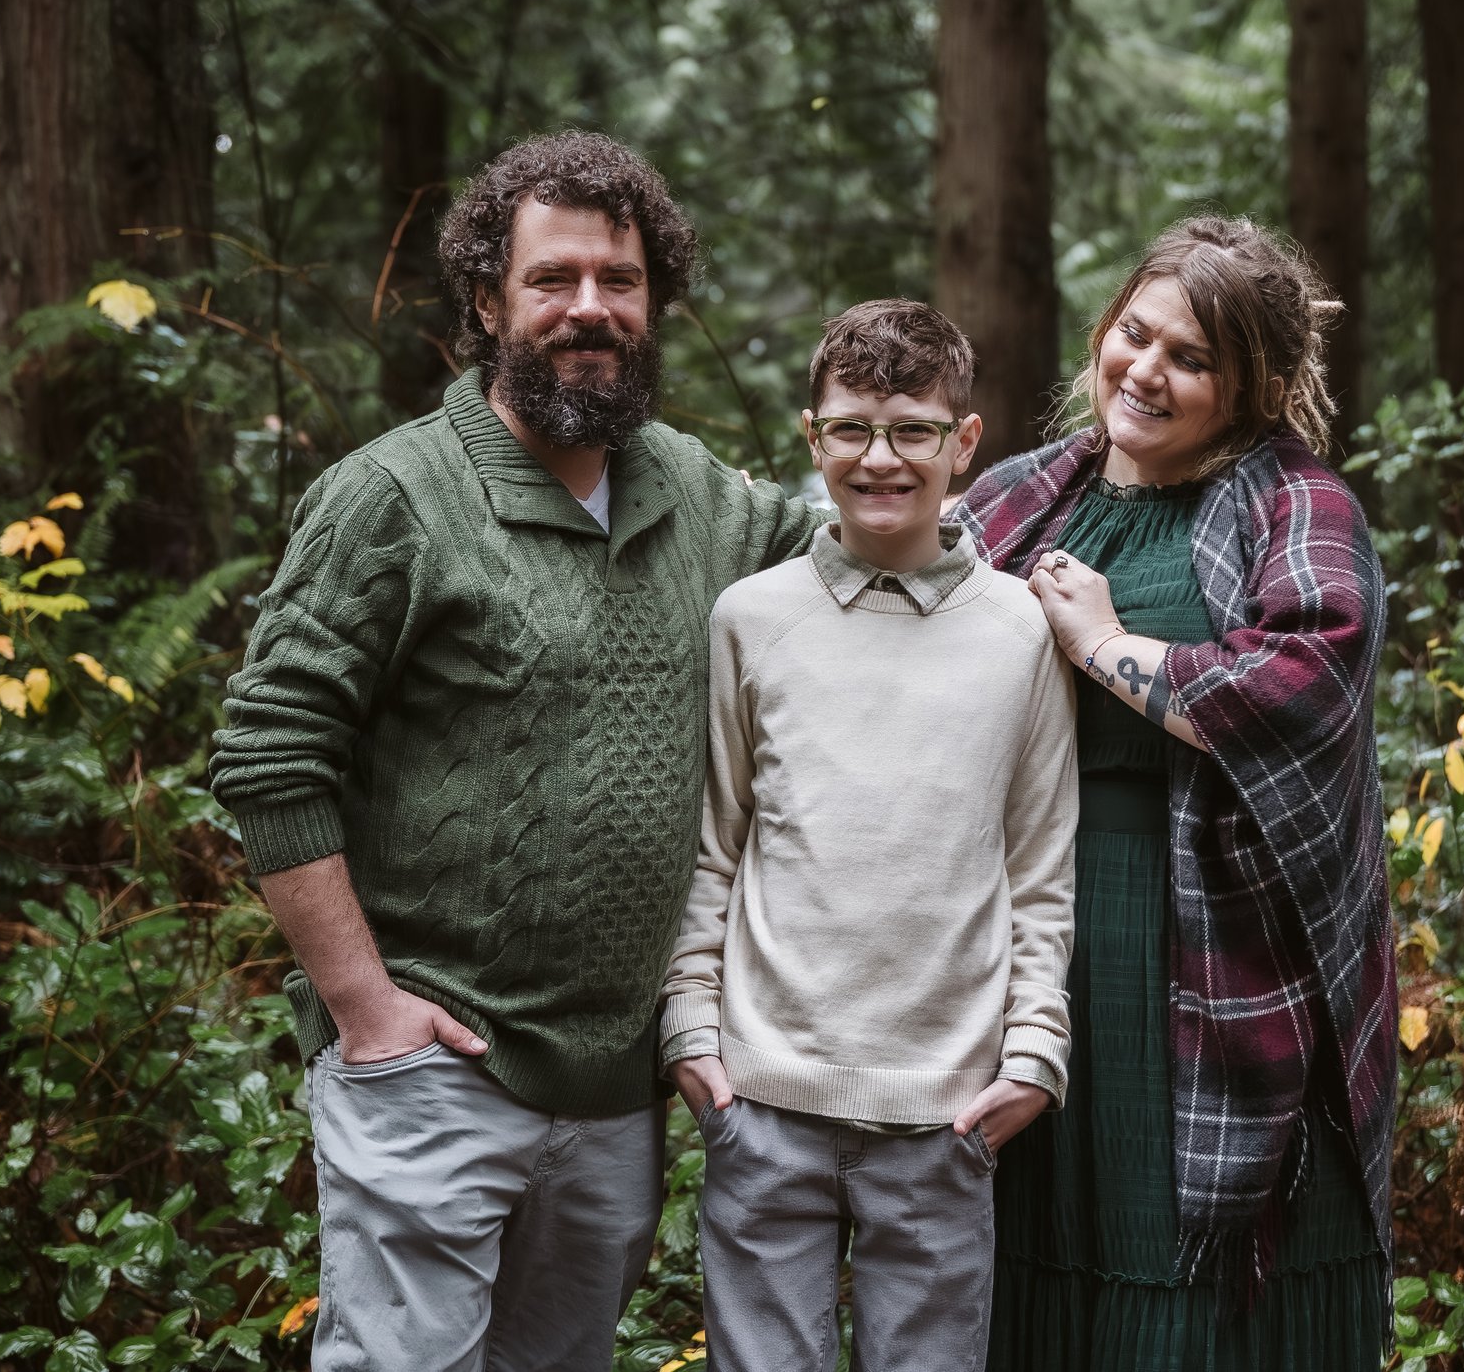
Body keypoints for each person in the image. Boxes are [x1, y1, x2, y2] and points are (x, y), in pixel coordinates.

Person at [207, 131, 821, 1372]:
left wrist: (1099, 480)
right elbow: (269, 756)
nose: (589, 308)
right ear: (488, 301)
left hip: (613, 1098)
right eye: (553, 280)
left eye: (620, 278)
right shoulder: (395, 497)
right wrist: (365, 1010)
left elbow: (875, 530)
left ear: (655, 299)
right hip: (431, 1072)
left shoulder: (696, 492)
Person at [957, 216, 1395, 1371]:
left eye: (1189, 359)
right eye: (1134, 334)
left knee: (1185, 1254)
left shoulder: (1294, 503)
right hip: (1028, 934)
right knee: (1029, 1237)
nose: (1143, 372)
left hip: (1210, 945)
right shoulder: (1018, 498)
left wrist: (1105, 645)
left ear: (1251, 386)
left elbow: (1304, 684)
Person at [660, 299, 1079, 1372]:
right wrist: (691, 1027)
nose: (879, 458)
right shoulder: (751, 617)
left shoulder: (1021, 629)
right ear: (813, 435)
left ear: (963, 442)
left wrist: (1034, 1049)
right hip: (763, 1102)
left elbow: (1038, 867)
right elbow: (717, 841)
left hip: (947, 1114)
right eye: (850, 427)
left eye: (912, 430)